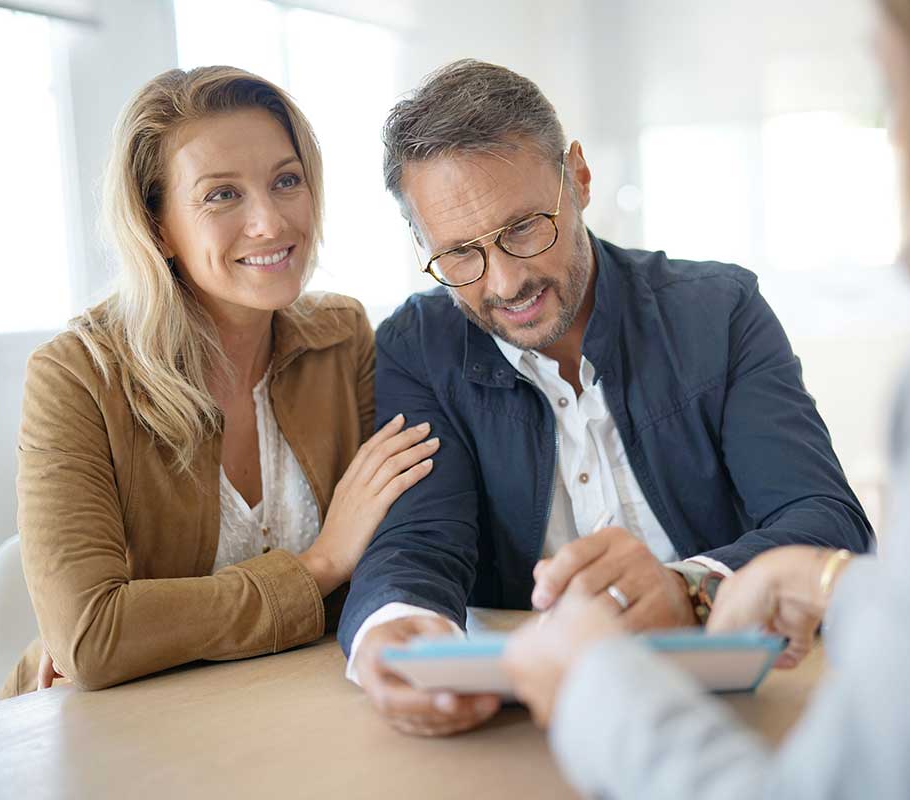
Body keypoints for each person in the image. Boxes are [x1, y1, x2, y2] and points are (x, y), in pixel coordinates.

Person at [502, 1, 910, 797]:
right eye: (460, 254)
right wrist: (835, 585)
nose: (899, 137)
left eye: (896, 86)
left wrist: (590, 685)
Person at [339, 59, 874, 736]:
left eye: (525, 228)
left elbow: (827, 520)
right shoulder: (418, 346)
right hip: (526, 730)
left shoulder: (721, 310)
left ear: (579, 180)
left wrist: (690, 590)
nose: (504, 283)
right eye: (459, 256)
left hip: (736, 716)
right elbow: (418, 542)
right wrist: (393, 632)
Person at [4, 66, 434, 696]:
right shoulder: (75, 378)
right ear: (157, 228)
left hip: (292, 706)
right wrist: (317, 568)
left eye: (286, 181)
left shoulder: (342, 338)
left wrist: (153, 630)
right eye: (221, 195)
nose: (270, 222)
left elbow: (396, 557)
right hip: (102, 735)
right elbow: (93, 639)